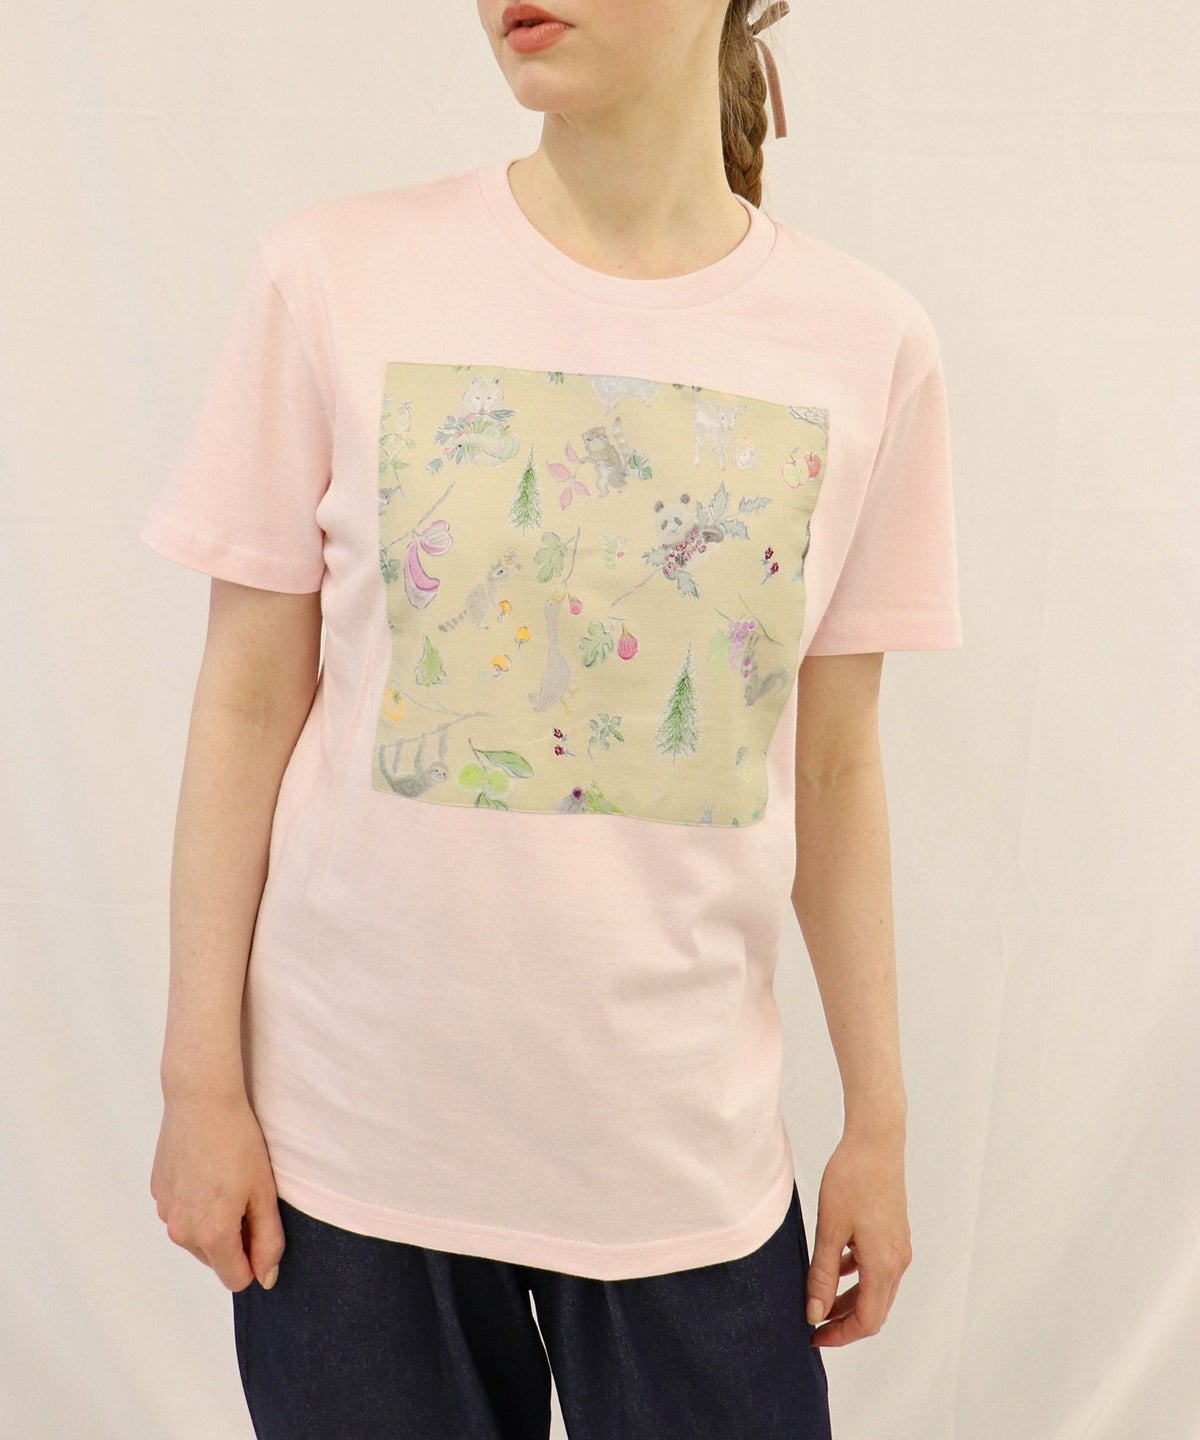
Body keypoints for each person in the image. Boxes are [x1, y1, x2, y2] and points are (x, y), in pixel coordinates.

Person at [144, 1, 962, 1436]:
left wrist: (879, 1127)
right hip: (348, 1158)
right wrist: (197, 1082)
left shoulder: (865, 343)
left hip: (680, 1164)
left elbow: (835, 766)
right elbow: (246, 702)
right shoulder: (333, 276)